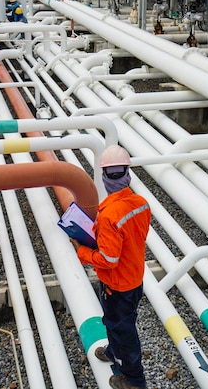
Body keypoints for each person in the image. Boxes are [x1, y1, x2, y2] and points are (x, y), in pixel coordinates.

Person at [70, 145, 151, 389]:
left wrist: (82, 250)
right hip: (135, 277)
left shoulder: (107, 216)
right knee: (118, 323)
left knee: (123, 329)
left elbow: (108, 260)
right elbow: (132, 239)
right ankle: (112, 351)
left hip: (117, 285)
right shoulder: (141, 203)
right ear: (128, 174)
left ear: (104, 177)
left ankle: (134, 380)